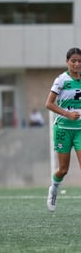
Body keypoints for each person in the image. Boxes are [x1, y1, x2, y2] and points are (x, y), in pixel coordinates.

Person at [45, 47, 81, 212]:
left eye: (79, 61)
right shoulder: (61, 80)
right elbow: (49, 104)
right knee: (63, 169)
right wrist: (67, 114)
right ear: (67, 62)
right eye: (73, 60)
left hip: (80, 130)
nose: (76, 64)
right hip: (63, 129)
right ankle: (53, 189)